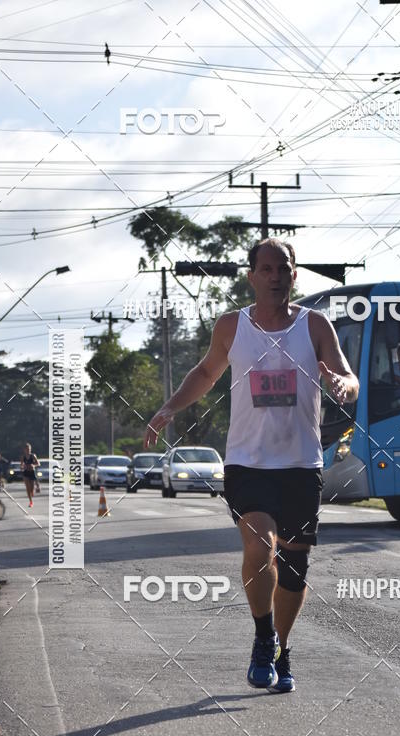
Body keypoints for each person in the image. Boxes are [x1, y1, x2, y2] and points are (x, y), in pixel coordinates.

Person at [144, 238, 359, 693]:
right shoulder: (231, 327)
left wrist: (343, 383)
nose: (276, 276)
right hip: (247, 463)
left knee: (295, 565)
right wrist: (169, 409)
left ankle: (282, 647)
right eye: (266, 269)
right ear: (252, 276)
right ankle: (263, 638)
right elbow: (205, 373)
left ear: (294, 274)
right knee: (261, 551)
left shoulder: (315, 326)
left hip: (301, 463)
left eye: (284, 268)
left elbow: (348, 376)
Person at [21, 443, 39, 508]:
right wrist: (23, 466)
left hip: (32, 472)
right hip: (26, 473)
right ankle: (31, 502)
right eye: (27, 449)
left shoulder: (33, 456)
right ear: (24, 450)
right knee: (27, 488)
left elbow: (38, 463)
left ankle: (32, 493)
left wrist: (33, 465)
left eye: (29, 449)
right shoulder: (23, 457)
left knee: (31, 489)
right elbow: (21, 465)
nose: (28, 450)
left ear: (30, 449)